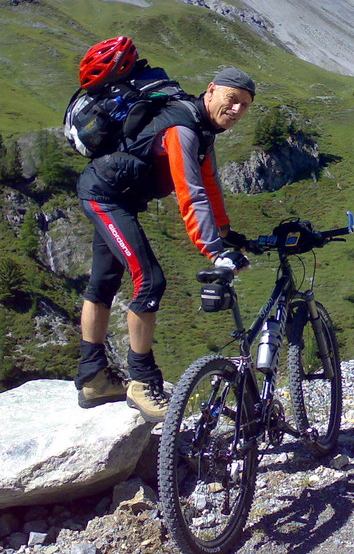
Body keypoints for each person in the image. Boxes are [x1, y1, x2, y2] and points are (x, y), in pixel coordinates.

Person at [73, 42, 255, 422]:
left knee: (104, 281)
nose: (237, 110)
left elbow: (210, 183)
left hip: (118, 197)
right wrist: (213, 250)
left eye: (245, 105)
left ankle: (92, 379)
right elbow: (190, 193)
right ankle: (141, 381)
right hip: (105, 196)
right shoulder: (183, 129)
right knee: (149, 281)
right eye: (231, 99)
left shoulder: (201, 129)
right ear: (210, 90)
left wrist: (225, 232)